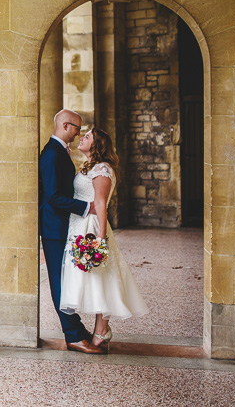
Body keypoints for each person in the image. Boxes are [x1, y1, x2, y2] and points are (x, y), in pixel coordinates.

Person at [59, 128, 149, 350]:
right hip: (78, 226)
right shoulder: (89, 166)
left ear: (97, 144)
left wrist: (100, 238)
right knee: (94, 280)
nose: (82, 138)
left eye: (87, 136)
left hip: (91, 227)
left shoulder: (102, 169)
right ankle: (101, 330)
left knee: (100, 277)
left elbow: (100, 203)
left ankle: (101, 330)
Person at [39, 110, 101, 354]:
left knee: (64, 281)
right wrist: (87, 207)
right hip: (54, 227)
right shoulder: (52, 154)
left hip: (62, 225)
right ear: (66, 125)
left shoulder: (59, 151)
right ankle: (73, 335)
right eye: (77, 128)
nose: (79, 133)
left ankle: (76, 329)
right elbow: (53, 197)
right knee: (59, 283)